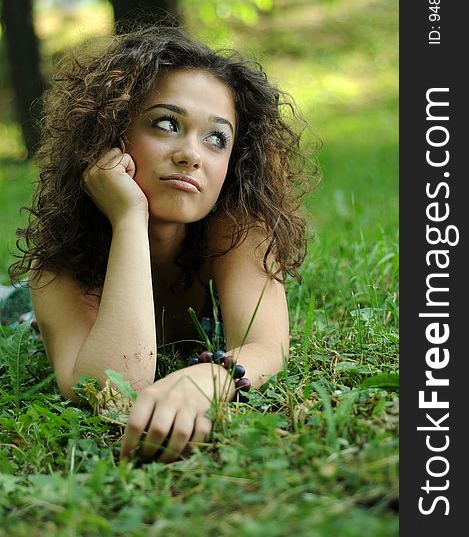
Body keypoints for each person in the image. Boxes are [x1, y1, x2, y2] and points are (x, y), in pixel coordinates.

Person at [9, 24, 314, 464]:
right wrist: (129, 217)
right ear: (111, 134)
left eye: (216, 138)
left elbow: (267, 346)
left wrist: (210, 378)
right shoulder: (59, 262)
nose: (192, 154)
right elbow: (112, 388)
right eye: (166, 124)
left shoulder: (237, 227)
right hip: (25, 311)